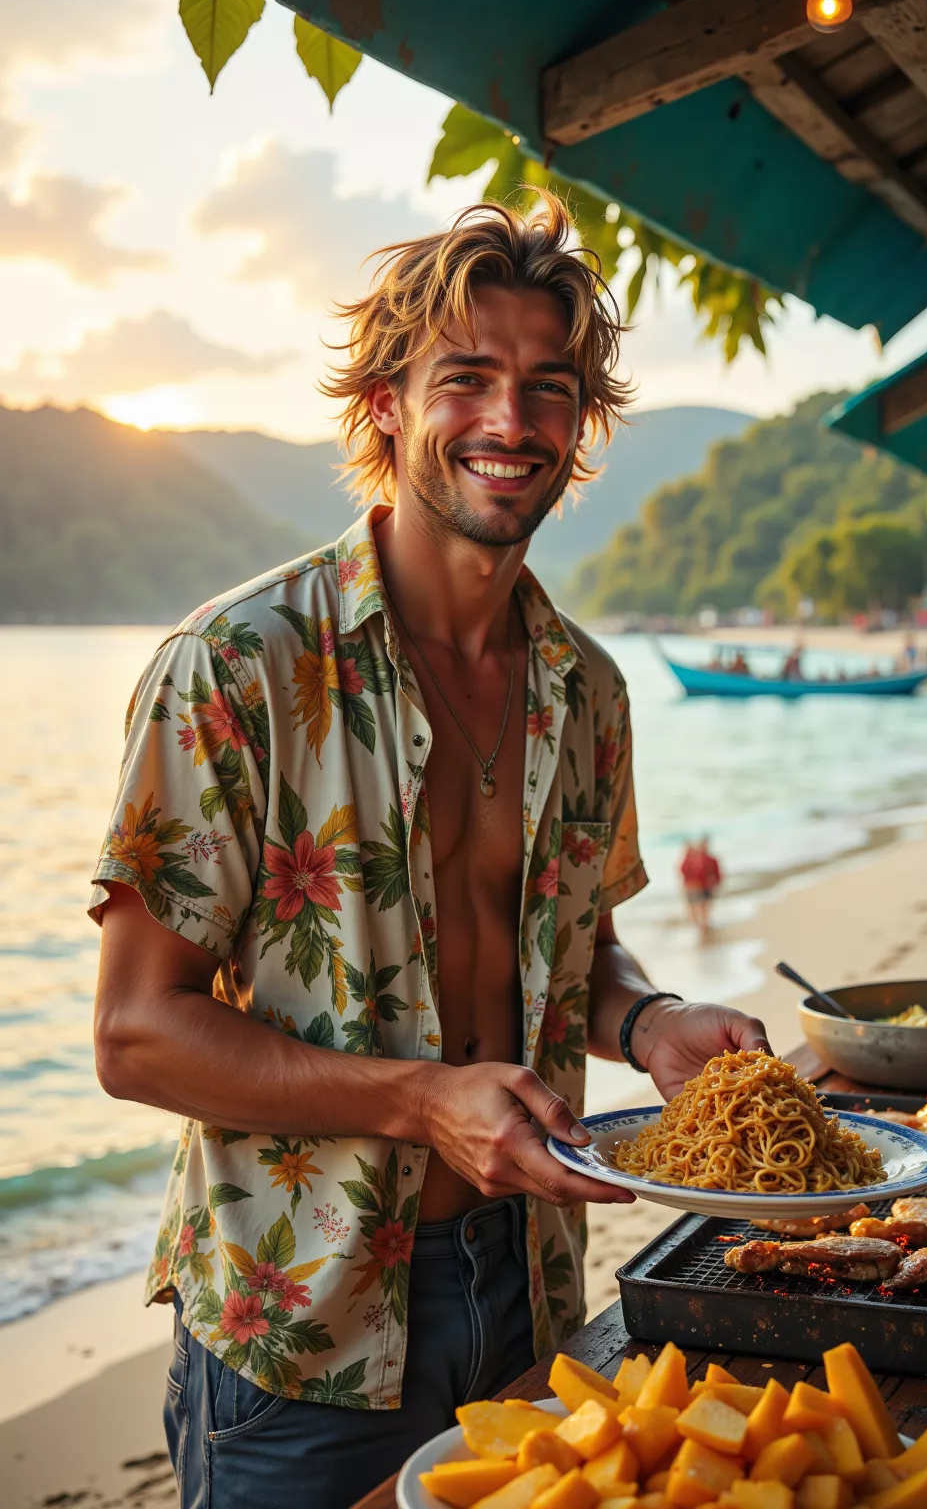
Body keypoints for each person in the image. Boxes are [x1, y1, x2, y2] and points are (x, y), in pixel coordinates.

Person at [90, 194, 770, 1509]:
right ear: (388, 404)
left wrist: (654, 1024)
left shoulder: (592, 688)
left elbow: (582, 953)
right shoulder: (236, 669)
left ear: (582, 427)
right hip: (305, 1337)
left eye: (549, 389)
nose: (511, 423)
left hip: (534, 1292)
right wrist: (419, 1102)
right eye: (468, 378)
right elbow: (133, 1035)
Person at [680, 836, 723, 941]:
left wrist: (716, 882)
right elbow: (683, 872)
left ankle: (703, 925)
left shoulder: (709, 859)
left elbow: (717, 872)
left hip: (704, 886)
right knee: (695, 907)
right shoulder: (691, 860)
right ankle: (699, 925)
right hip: (694, 886)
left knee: (704, 906)